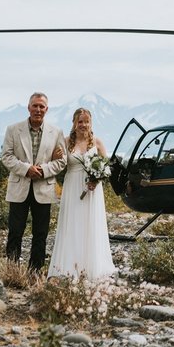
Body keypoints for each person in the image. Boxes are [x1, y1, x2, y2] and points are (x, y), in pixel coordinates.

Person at [1, 92, 67, 272]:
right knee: (15, 232)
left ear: (47, 109)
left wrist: (43, 171)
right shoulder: (13, 129)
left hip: (44, 189)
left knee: (40, 234)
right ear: (28, 107)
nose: (38, 109)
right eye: (35, 105)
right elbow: (6, 157)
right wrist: (26, 169)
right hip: (19, 188)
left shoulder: (56, 132)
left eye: (41, 106)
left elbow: (62, 161)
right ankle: (12, 270)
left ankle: (35, 272)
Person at [48, 107, 116, 280]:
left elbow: (107, 167)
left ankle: (92, 266)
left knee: (90, 223)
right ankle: (70, 266)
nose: (83, 125)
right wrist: (55, 157)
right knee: (73, 223)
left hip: (93, 191)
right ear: (74, 123)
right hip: (72, 186)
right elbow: (57, 164)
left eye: (87, 121)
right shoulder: (64, 142)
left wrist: (97, 178)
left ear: (91, 123)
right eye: (80, 121)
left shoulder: (97, 143)